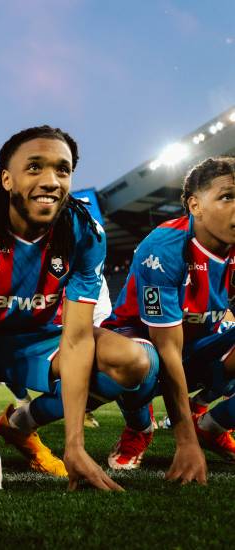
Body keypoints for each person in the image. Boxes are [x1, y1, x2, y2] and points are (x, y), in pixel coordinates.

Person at [0, 125, 158, 494]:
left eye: (62, 170)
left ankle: (21, 424)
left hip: (39, 340)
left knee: (133, 361)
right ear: (6, 178)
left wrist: (75, 446)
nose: (51, 180)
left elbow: (79, 340)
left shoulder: (85, 231)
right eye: (34, 167)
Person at [103, 157, 235, 475]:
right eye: (228, 196)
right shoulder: (164, 247)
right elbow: (167, 348)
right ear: (195, 205)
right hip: (147, 343)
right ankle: (139, 429)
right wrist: (184, 442)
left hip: (200, 344)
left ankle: (212, 424)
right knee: (140, 362)